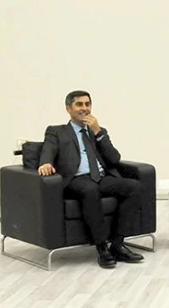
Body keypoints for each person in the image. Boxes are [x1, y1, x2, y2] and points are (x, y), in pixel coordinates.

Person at [38, 90, 145, 269]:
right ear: (68, 108)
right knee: (90, 190)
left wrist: (98, 132)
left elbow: (114, 159)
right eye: (79, 104)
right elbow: (48, 150)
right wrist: (46, 163)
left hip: (101, 177)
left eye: (87, 104)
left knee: (135, 187)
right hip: (76, 179)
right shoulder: (57, 131)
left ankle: (118, 244)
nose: (84, 108)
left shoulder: (98, 131)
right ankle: (101, 247)